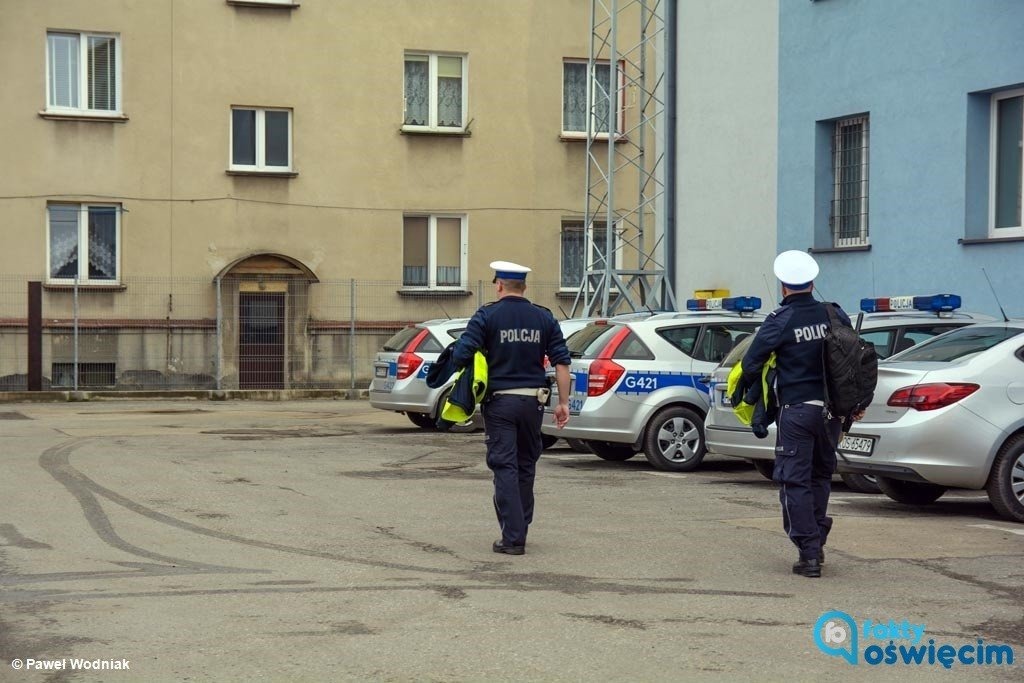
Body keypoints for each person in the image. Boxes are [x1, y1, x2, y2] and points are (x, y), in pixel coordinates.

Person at [738, 250, 863, 578]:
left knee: (794, 481)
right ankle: (816, 541)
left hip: (797, 412)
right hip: (832, 414)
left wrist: (755, 391)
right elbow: (853, 359)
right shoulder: (834, 314)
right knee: (820, 477)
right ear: (812, 282)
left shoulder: (780, 320)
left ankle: (809, 554)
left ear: (783, 286)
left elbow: (750, 363)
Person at [451, 260, 571, 555]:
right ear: (524, 287)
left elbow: (462, 354)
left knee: (504, 465)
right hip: (534, 402)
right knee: (526, 464)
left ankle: (513, 537)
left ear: (499, 285)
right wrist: (564, 403)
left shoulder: (487, 315)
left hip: (500, 403)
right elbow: (561, 363)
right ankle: (521, 526)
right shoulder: (544, 317)